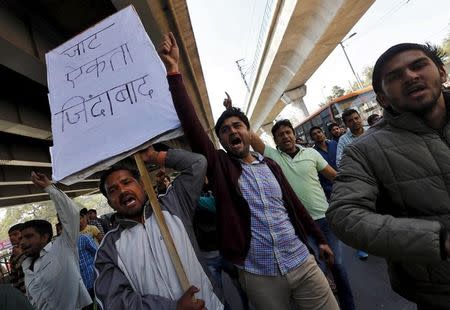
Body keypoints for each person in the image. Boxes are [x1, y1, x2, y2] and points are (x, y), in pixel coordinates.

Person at [160, 32, 338, 310]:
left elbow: (295, 208)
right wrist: (174, 73)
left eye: (237, 126)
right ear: (220, 140)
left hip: (302, 262)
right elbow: (193, 126)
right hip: (259, 275)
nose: (232, 131)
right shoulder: (220, 166)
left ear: (247, 131)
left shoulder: (272, 166)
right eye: (225, 130)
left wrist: (320, 239)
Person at [326, 43, 450, 309]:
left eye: (418, 65)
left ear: (441, 72)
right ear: (382, 98)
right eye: (395, 76)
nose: (410, 76)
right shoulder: (363, 151)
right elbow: (344, 215)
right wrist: (437, 239)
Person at [95, 148, 223, 310]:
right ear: (110, 203)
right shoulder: (108, 249)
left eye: (127, 182)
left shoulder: (173, 203)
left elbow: (197, 163)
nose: (122, 191)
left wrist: (154, 156)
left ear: (142, 184)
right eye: (113, 190)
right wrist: (173, 308)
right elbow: (115, 302)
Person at [251, 119, 355, 310]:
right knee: (317, 271)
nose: (285, 136)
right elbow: (252, 138)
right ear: (275, 141)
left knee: (338, 266)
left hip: (325, 220)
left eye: (288, 132)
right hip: (298, 225)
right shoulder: (274, 157)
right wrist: (234, 112)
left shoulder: (311, 154)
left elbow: (334, 176)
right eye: (280, 135)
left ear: (294, 134)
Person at [20, 172, 91, 310]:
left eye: (29, 237)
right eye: (21, 238)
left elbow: (71, 214)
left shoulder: (63, 246)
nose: (22, 242)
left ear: (45, 237)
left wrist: (49, 187)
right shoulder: (26, 266)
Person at [310, 126, 338, 200]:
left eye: (319, 132)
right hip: (329, 189)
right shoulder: (312, 153)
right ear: (312, 138)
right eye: (314, 134)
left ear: (323, 133)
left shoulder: (334, 144)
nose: (318, 135)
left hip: (344, 181)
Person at [78, 233, 98, 310]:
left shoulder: (84, 238)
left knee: (97, 302)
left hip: (91, 277)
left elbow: (97, 252)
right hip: (80, 282)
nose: (60, 232)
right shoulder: (65, 244)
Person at [8, 224, 26, 294]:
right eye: (10, 236)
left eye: (15, 234)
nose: (12, 238)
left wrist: (20, 255)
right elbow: (14, 278)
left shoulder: (31, 249)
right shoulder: (12, 256)